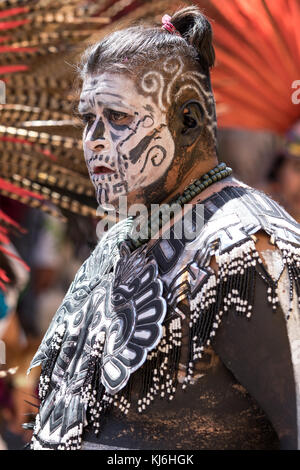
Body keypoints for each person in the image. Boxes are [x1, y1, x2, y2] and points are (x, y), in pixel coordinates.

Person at [28, 7, 300, 450]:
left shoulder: (255, 249)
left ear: (188, 122)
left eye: (117, 117)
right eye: (87, 119)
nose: (94, 139)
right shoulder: (120, 237)